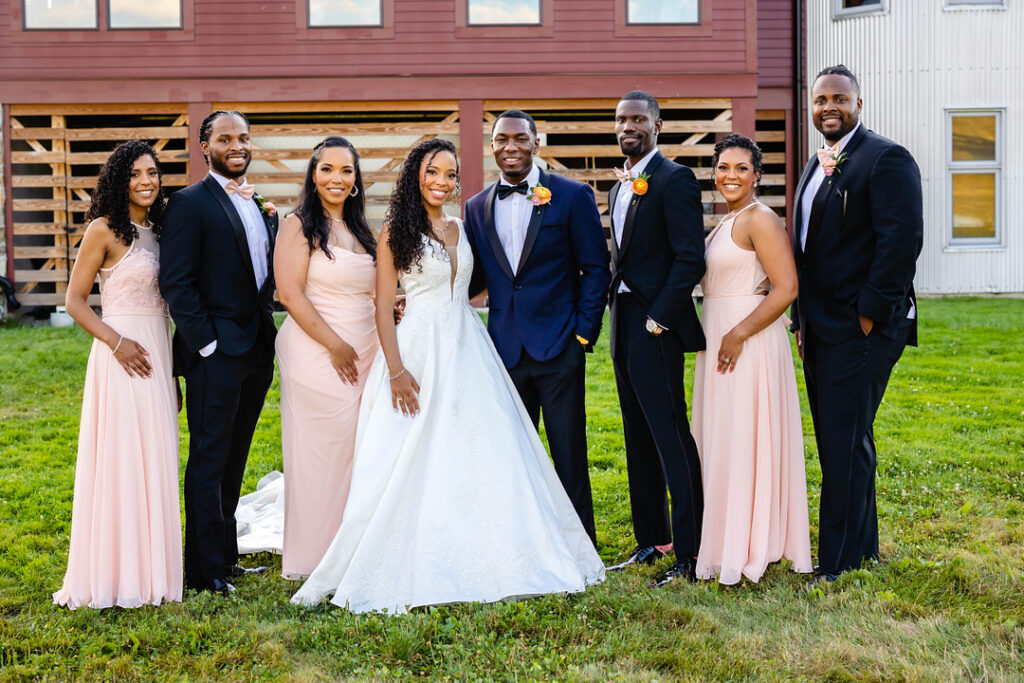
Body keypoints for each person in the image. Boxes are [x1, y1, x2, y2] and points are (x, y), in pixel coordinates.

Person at [291, 138, 605, 614]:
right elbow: (382, 305)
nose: (443, 182)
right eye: (433, 172)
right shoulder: (396, 230)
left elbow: (476, 282)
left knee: (483, 447)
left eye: (451, 174)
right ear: (416, 174)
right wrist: (396, 370)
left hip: (467, 345)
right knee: (412, 450)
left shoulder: (462, 225)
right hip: (417, 349)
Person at [791, 65, 923, 581]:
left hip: (859, 327)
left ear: (858, 105)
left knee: (844, 441)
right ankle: (859, 550)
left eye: (839, 99)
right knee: (840, 439)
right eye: (821, 99)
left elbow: (900, 244)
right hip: (819, 326)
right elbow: (808, 250)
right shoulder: (814, 163)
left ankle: (840, 561)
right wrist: (801, 317)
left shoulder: (886, 159)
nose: (828, 107)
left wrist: (869, 314)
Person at [463, 109, 610, 544]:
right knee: (513, 454)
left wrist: (582, 334)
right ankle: (521, 542)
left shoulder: (571, 195)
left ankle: (580, 543)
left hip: (560, 345)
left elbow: (595, 268)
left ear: (536, 143)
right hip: (505, 351)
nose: (510, 148)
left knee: (569, 453)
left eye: (519, 139)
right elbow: (474, 279)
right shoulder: (475, 207)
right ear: (492, 147)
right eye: (501, 140)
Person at [54, 140, 182, 608]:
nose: (146, 181)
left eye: (152, 173)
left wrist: (172, 373)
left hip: (158, 352)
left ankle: (153, 573)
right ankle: (116, 573)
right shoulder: (103, 230)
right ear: (118, 180)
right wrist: (116, 342)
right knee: (122, 458)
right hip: (121, 349)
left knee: (156, 458)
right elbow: (73, 302)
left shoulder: (164, 230)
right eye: (135, 174)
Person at [159, 110, 278, 595]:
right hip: (214, 354)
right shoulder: (188, 203)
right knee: (208, 459)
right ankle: (204, 572)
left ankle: (226, 560)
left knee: (235, 457)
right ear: (203, 145)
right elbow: (177, 282)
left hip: (256, 350)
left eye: (244, 137)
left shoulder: (259, 203)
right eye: (225, 138)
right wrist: (206, 343)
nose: (237, 145)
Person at [692, 134, 813, 584]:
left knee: (745, 436)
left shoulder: (760, 218)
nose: (731, 176)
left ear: (757, 175)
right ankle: (727, 533)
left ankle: (751, 541)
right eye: (723, 167)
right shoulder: (727, 222)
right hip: (721, 335)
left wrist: (739, 333)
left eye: (742, 168)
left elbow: (786, 287)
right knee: (724, 437)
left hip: (749, 340)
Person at [606, 90, 706, 586]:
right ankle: (653, 540)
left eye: (638, 118)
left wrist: (659, 318)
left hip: (655, 326)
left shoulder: (675, 179)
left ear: (657, 124)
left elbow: (690, 257)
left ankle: (689, 553)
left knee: (670, 437)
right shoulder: (618, 186)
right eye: (622, 118)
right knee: (636, 435)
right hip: (621, 323)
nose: (629, 125)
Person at [273, 137, 377, 579]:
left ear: (356, 180)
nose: (338, 178)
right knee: (324, 452)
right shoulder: (297, 225)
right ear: (313, 175)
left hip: (369, 351)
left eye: (346, 171)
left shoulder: (362, 230)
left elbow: (369, 287)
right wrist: (334, 344)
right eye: (328, 169)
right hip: (318, 352)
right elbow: (289, 293)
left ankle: (357, 546)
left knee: (362, 451)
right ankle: (316, 554)